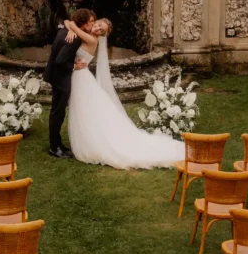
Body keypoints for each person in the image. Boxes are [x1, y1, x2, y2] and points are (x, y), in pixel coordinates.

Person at [63, 18, 184, 169]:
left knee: (84, 111)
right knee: (85, 111)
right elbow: (67, 21)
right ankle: (87, 139)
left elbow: (72, 24)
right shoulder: (87, 33)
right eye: (99, 25)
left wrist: (71, 27)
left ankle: (92, 143)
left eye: (102, 30)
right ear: (96, 21)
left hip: (81, 76)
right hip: (80, 75)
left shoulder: (92, 40)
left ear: (102, 35)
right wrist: (69, 27)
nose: (98, 29)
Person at [44, 8, 96, 158]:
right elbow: (60, 60)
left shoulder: (67, 30)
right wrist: (74, 66)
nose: (93, 24)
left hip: (55, 76)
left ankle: (57, 143)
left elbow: (65, 22)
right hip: (60, 78)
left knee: (57, 112)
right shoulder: (74, 38)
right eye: (91, 21)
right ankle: (54, 147)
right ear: (83, 22)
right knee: (57, 113)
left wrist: (70, 26)